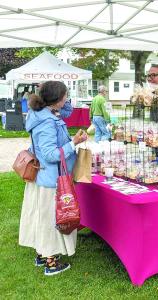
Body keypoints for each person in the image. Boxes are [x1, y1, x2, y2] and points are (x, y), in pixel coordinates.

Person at [19, 81, 88, 276]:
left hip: (44, 177)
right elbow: (50, 154)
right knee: (52, 218)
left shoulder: (41, 113)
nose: (67, 99)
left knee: (42, 216)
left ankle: (42, 253)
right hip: (51, 178)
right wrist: (72, 143)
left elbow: (66, 110)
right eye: (65, 96)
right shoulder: (48, 121)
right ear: (56, 100)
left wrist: (57, 93)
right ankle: (50, 261)